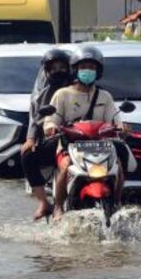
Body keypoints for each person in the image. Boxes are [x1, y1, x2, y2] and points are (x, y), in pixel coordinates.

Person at [44, 45, 128, 220]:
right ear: (75, 70)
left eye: (91, 67)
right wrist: (51, 126)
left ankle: (118, 202)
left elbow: (115, 117)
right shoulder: (62, 95)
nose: (87, 71)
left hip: (101, 147)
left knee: (118, 165)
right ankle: (58, 207)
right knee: (65, 165)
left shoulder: (105, 96)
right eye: (83, 67)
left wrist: (122, 126)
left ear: (98, 71)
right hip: (71, 146)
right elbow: (51, 119)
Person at [20, 48, 72, 220]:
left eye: (62, 67)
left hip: (83, 139)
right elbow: (37, 117)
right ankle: (45, 202)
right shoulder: (44, 93)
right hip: (57, 139)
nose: (58, 71)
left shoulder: (83, 89)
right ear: (47, 71)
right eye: (53, 68)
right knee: (27, 155)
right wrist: (31, 138)